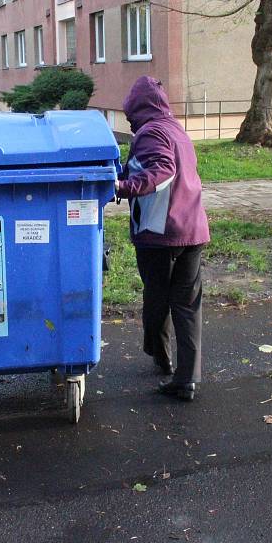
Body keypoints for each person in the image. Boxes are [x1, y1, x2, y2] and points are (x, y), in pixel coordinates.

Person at [115, 76, 210, 401]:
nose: (130, 121)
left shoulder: (150, 131)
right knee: (186, 305)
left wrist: (121, 187)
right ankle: (186, 378)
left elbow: (161, 169)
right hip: (192, 229)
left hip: (160, 233)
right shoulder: (176, 130)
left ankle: (159, 354)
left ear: (140, 109)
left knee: (157, 296)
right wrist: (126, 173)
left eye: (131, 115)